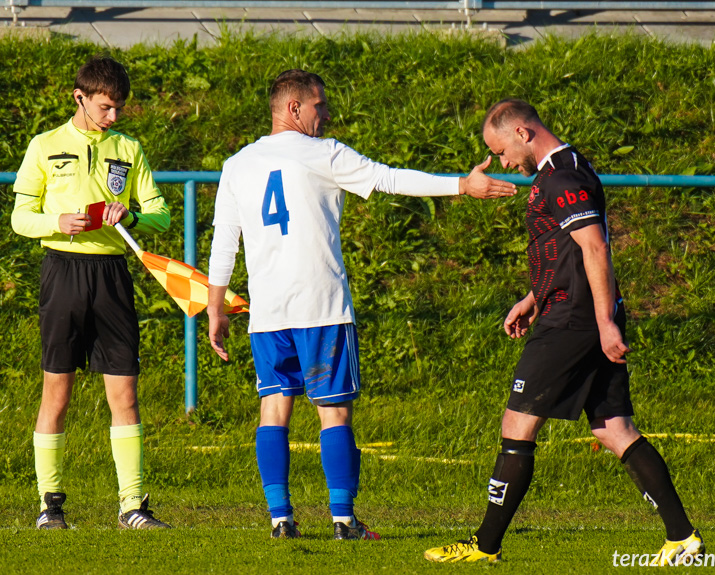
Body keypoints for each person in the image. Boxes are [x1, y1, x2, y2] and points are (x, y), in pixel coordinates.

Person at [206, 69, 517, 540]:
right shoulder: (323, 153)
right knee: (334, 411)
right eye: (319, 105)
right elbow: (390, 179)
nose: (327, 113)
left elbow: (224, 242)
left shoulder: (237, 165)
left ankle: (280, 519)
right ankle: (343, 519)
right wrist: (461, 185)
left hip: (268, 313)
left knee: (274, 406)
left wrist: (215, 308)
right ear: (294, 109)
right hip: (322, 307)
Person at [424, 99, 704, 565]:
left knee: (517, 423)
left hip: (574, 320)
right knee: (614, 428)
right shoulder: (562, 170)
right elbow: (566, 251)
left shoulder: (562, 175)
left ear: (524, 133)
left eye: (501, 150)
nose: (502, 162)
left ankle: (484, 545)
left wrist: (602, 322)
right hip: (570, 310)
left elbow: (594, 249)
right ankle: (682, 536)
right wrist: (534, 298)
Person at [11, 55, 172, 530]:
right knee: (56, 392)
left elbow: (160, 211)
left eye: (119, 108)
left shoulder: (129, 149)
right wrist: (56, 223)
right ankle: (50, 506)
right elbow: (21, 216)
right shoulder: (45, 145)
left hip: (112, 276)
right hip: (62, 272)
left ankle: (133, 508)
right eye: (105, 107)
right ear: (79, 98)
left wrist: (136, 216)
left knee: (124, 393)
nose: (114, 117)